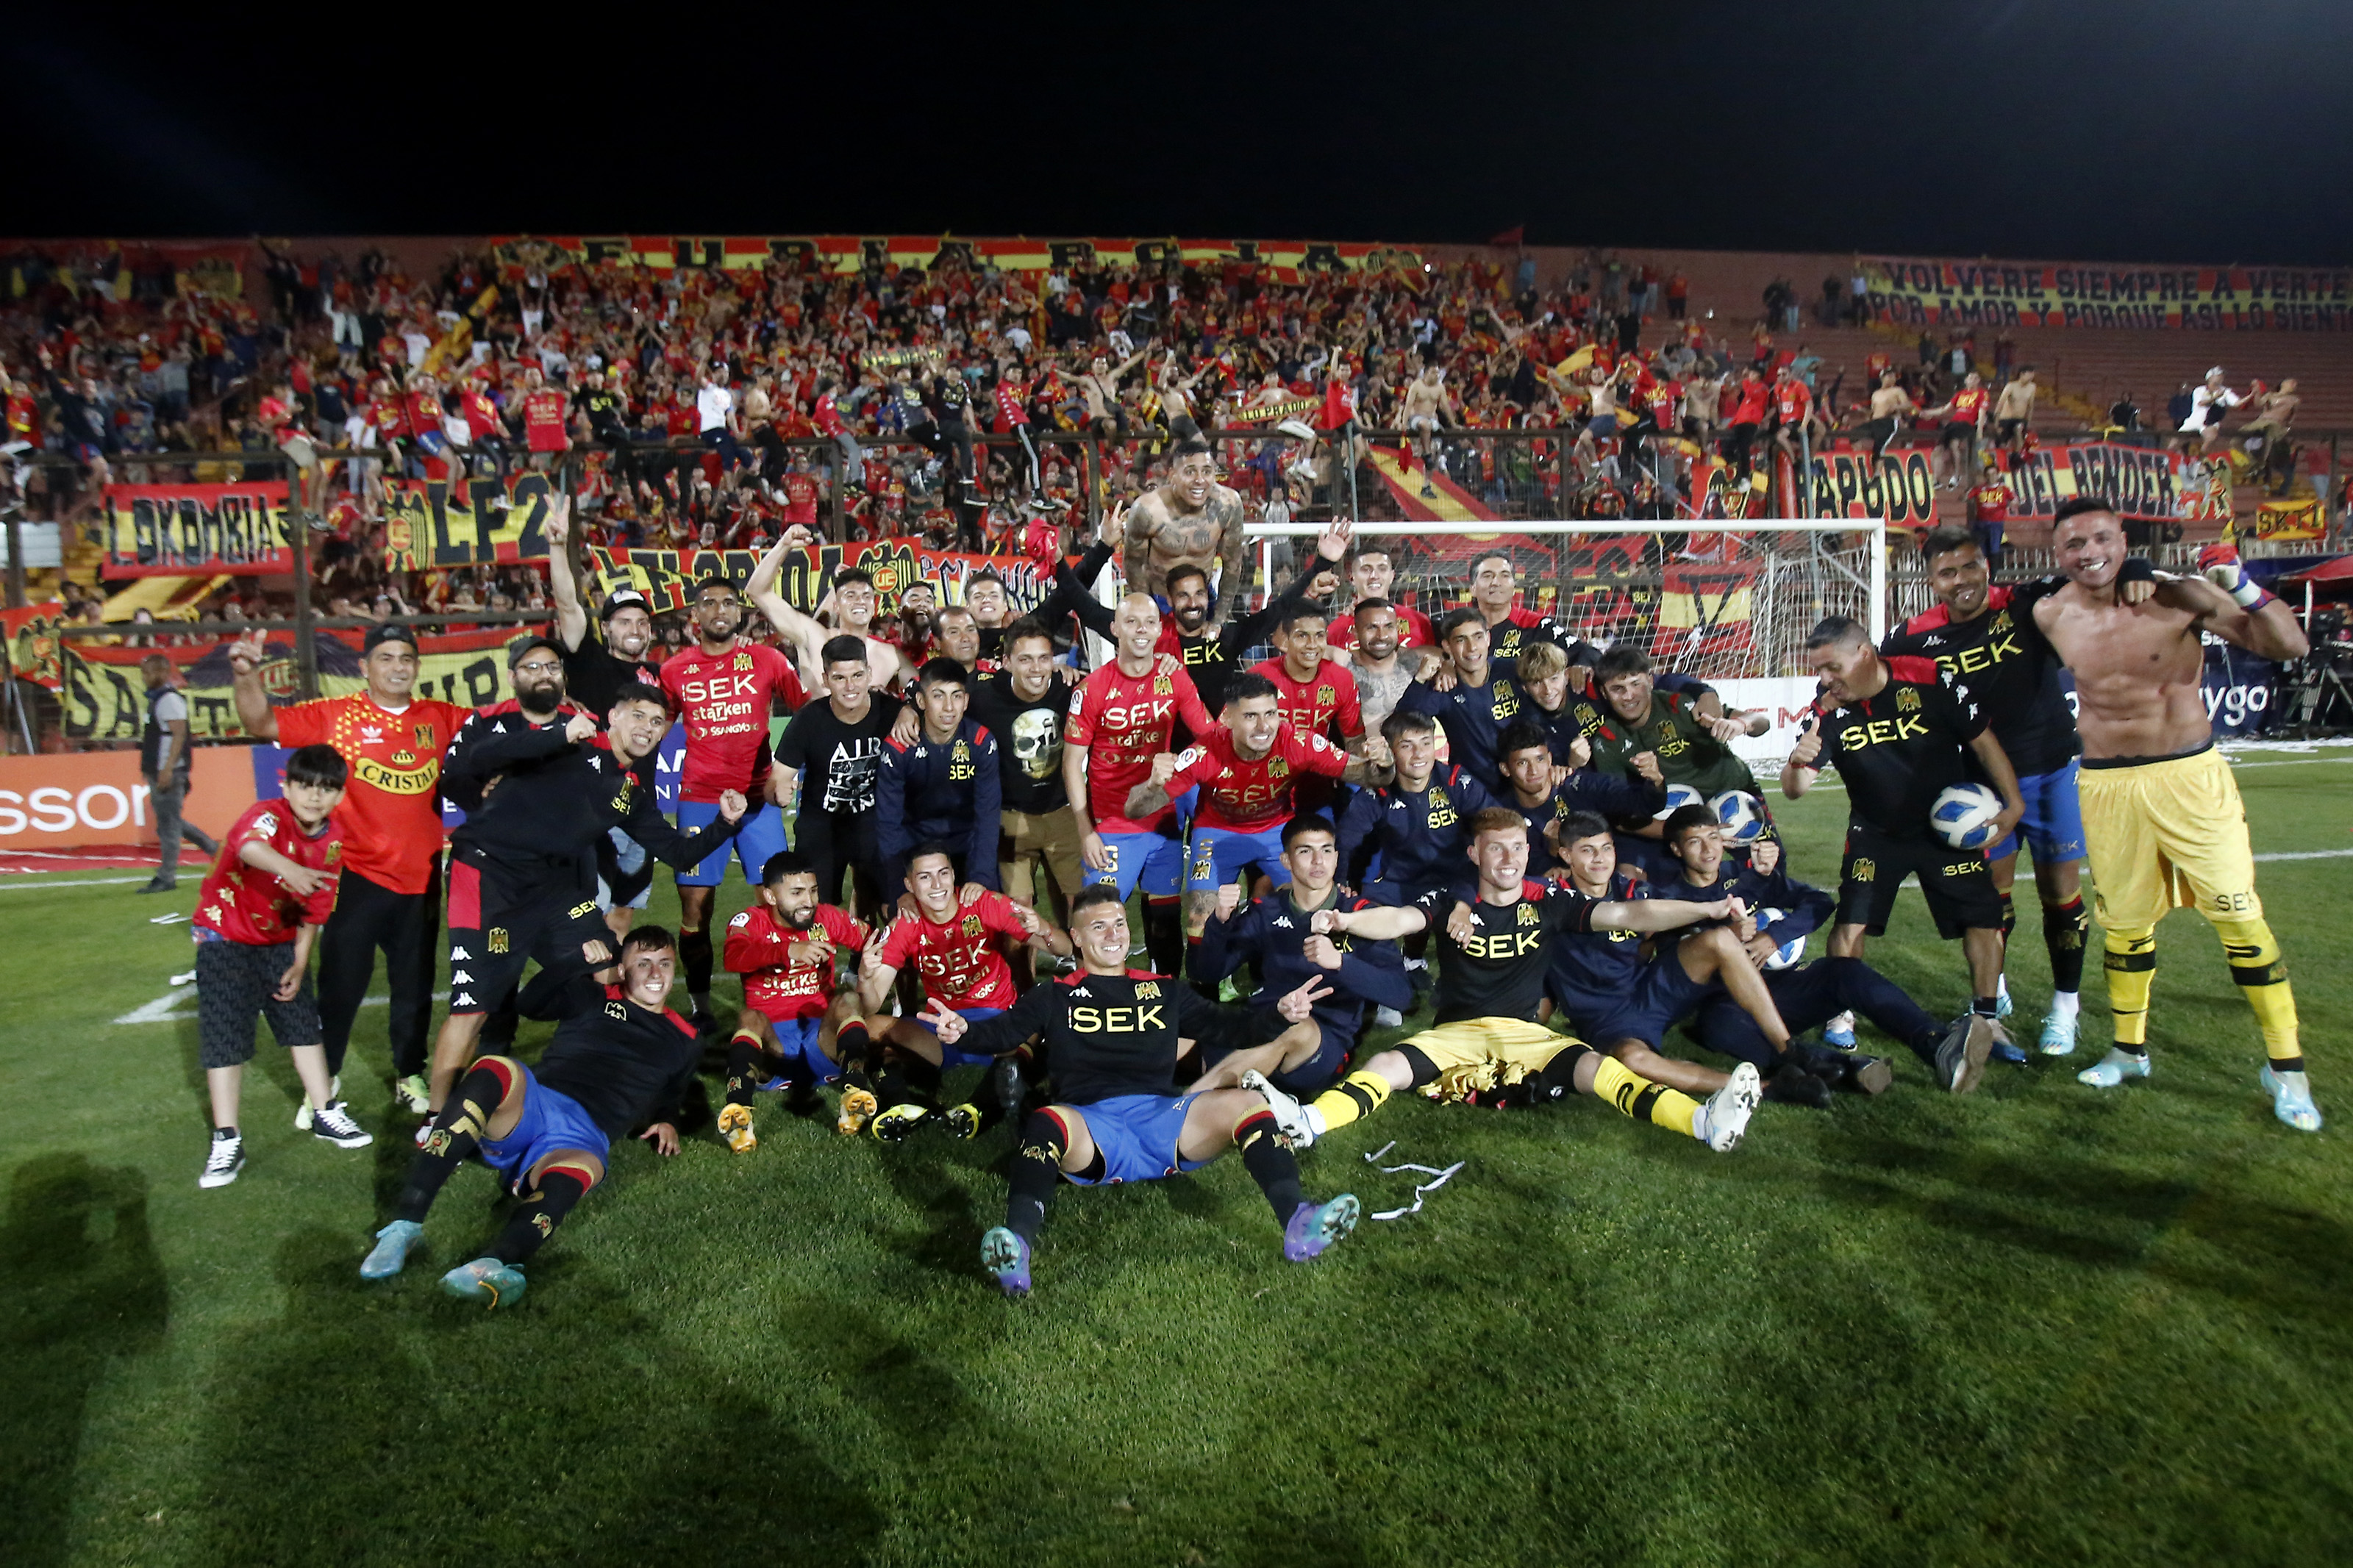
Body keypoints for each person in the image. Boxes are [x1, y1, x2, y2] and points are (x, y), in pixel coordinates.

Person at [2024, 501, 2319, 1131]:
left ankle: (2287, 1068)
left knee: (2239, 916)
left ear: (2124, 538)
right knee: (2125, 924)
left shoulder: (2181, 595)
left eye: (2102, 538)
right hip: (2105, 784)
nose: (2088, 551)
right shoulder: (2050, 613)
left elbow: (2289, 643)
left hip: (2188, 777)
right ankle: (2129, 1051)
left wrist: (2236, 582)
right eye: (2073, 543)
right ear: (2057, 554)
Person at [929, 883, 1358, 1296]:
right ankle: (1017, 1247)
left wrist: (1280, 1016)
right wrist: (963, 1031)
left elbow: (1231, 1027)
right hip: (1092, 1128)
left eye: (1119, 923)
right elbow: (1002, 1032)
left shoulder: (1164, 991)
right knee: (1046, 1121)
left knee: (1248, 1101)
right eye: (1099, 927)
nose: (1114, 934)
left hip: (1163, 1121)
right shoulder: (1053, 996)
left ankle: (1299, 1222)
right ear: (1076, 937)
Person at [1246, 809, 1760, 1152]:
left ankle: (1702, 1122)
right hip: (1456, 1035)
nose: (1510, 859)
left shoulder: (1548, 899)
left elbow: (1631, 911)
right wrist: (1347, 921)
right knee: (1386, 1063)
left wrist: (1709, 906)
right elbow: (1400, 920)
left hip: (1528, 1035)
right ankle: (1310, 1122)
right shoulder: (1451, 900)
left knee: (1598, 1070)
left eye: (1518, 847)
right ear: (1475, 854)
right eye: (1497, 849)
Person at [429, 671, 749, 1111]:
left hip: (550, 888)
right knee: (473, 1007)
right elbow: (485, 754)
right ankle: (436, 1118)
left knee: (608, 965)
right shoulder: (567, 744)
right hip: (488, 877)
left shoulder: (630, 791)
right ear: (613, 717)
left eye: (657, 723)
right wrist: (557, 732)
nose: (647, 728)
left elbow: (676, 851)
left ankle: (584, 1068)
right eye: (638, 716)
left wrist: (725, 823)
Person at [360, 927, 700, 1309]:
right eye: (643, 963)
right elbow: (530, 1003)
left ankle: (494, 1263)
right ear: (621, 970)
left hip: (583, 1138)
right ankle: (403, 1227)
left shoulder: (685, 1037)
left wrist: (668, 1118)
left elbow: (674, 1088)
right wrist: (574, 963)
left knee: (576, 1175)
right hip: (535, 1106)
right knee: (494, 1069)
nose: (655, 973)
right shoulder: (591, 996)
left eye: (664, 964)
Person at [229, 623, 470, 1114]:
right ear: (364, 667)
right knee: (340, 987)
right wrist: (246, 675)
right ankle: (327, 1077)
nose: (398, 666)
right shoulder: (335, 716)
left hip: (421, 879)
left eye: (406, 657)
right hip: (353, 878)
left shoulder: (441, 717)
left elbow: (505, 724)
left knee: (414, 989)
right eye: (386, 657)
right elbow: (260, 723)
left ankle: (410, 1074)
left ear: (418, 666)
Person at [1780, 617, 2024, 1086]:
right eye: (1819, 669)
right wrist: (1796, 762)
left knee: (1983, 916)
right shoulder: (1826, 709)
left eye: (1833, 666)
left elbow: (1983, 740)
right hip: (1875, 832)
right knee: (1851, 921)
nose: (1826, 678)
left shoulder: (1929, 678)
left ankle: (1987, 1017)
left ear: (1865, 653)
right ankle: (1839, 1013)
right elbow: (1795, 790)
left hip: (1944, 829)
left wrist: (2013, 803)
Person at [1884, 524, 2089, 1054]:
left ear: (1987, 566)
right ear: (1931, 581)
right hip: (1979, 785)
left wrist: (2134, 571)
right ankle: (1993, 995)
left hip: (2049, 771)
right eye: (1948, 572)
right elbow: (1867, 678)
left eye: (1971, 566)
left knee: (2059, 891)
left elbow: (2091, 582)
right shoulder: (1912, 638)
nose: (1962, 580)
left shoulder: (2024, 604)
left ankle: (2066, 1006)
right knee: (1990, 895)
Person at [1538, 805, 1831, 1108]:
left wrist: (1751, 886)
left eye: (1607, 848)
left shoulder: (1634, 890)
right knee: (1633, 1060)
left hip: (1649, 990)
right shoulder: (1550, 898)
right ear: (1566, 856)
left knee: (1719, 939)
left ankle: (1789, 1051)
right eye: (1588, 851)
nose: (1600, 859)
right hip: (1606, 1018)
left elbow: (1680, 911)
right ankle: (1770, 1087)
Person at [1674, 830, 1992, 1093]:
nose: (1707, 850)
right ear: (1676, 850)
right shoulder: (1670, 896)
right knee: (1719, 1027)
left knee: (1844, 971)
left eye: (1713, 838)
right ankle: (1849, 1068)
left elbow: (1819, 902)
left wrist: (1775, 936)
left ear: (1724, 842)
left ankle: (1936, 1045)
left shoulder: (1750, 878)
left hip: (1782, 992)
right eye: (1694, 842)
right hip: (1728, 1002)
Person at [191, 745, 373, 1188]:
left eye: (327, 789)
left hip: (279, 941)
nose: (315, 797)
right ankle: (226, 1138)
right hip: (224, 937)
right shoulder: (267, 814)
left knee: (302, 1025)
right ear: (286, 786)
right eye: (305, 786)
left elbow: (316, 906)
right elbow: (249, 846)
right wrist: (288, 868)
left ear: (339, 795)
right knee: (225, 1037)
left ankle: (326, 1113)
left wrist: (299, 959)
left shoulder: (334, 839)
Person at [659, 573, 805, 1025]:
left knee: (777, 903)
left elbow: (805, 712)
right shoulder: (674, 670)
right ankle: (701, 1007)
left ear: (740, 612)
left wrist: (786, 771)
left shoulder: (766, 659)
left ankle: (780, 1002)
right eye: (709, 603)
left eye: (728, 602)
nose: (720, 610)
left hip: (759, 801)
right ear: (694, 617)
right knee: (695, 910)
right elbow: (656, 728)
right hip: (701, 801)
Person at [855, 844, 1071, 1142]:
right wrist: (865, 978)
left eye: (943, 874)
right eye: (925, 877)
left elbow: (1066, 948)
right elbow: (871, 1003)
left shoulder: (983, 903)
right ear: (909, 885)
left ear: (954, 875)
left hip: (997, 1025)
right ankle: (903, 1101)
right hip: (942, 1030)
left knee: (1040, 1015)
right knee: (867, 1028)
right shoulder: (906, 924)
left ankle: (981, 1106)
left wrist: (1044, 927)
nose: (937, 885)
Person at [1190, 813, 1414, 1095]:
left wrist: (1340, 963)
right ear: (1287, 861)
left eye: (1326, 851)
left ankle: (1187, 1106)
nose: (1318, 861)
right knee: (1168, 1025)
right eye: (1306, 851)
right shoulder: (1267, 910)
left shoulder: (1362, 915)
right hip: (1262, 1020)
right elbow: (1208, 973)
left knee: (1293, 1027)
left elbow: (1402, 995)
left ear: (1336, 858)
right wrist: (1220, 924)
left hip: (1319, 1043)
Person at [1122, 672, 1349, 940]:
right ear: (1228, 718)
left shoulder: (1297, 742)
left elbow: (1367, 774)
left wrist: (1382, 762)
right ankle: (1204, 982)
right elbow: (1134, 810)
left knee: (1311, 905)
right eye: (1251, 716)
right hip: (1217, 834)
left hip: (1276, 831)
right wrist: (1152, 785)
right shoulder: (1203, 752)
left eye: (1271, 714)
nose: (1264, 726)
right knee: (1200, 920)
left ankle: (1287, 973)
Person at [1063, 594, 1217, 978]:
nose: (1141, 631)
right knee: (1099, 919)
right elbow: (1071, 765)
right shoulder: (1092, 688)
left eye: (1149, 622)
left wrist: (1182, 764)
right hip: (1113, 825)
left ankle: (1163, 997)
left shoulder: (1174, 676)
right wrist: (1086, 832)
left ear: (1158, 629)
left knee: (1165, 920)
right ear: (1115, 629)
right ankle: (1094, 1004)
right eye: (1131, 622)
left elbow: (1209, 737)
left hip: (1163, 821)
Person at [541, 495, 658, 934]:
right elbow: (568, 605)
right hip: (592, 811)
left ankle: (614, 996)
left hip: (640, 808)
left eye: (641, 622)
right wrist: (558, 547)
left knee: (624, 912)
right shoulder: (588, 659)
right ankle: (591, 994)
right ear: (606, 628)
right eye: (623, 621)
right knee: (590, 915)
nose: (634, 629)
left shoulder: (661, 675)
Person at [718, 851, 875, 1148]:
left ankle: (854, 1090)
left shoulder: (827, 917)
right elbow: (733, 956)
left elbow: (875, 938)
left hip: (823, 1042)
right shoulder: (750, 921)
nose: (809, 901)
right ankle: (737, 1110)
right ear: (770, 896)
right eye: (797, 892)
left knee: (848, 1000)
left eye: (813, 891)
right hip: (773, 1051)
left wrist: (881, 947)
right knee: (748, 1018)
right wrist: (788, 951)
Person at [775, 634, 902, 917]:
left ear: (869, 674)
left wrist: (909, 711)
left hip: (875, 822)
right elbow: (779, 777)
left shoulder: (893, 712)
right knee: (814, 909)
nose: (850, 686)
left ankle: (879, 957)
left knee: (892, 903)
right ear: (825, 679)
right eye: (840, 678)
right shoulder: (808, 720)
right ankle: (815, 961)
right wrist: (777, 791)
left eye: (858, 675)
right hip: (821, 825)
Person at [970, 617, 1083, 922]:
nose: (1036, 668)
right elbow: (937, 693)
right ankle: (1022, 973)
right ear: (1006, 662)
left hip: (1063, 812)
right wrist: (907, 710)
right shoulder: (982, 696)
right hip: (1010, 817)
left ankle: (1082, 968)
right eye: (1025, 659)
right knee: (1018, 909)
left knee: (1081, 903)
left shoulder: (1070, 688)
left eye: (1044, 658)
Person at [1337, 706, 1499, 901]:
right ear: (1390, 751)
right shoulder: (1377, 792)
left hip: (1459, 882)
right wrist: (1343, 882)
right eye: (1407, 746)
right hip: (1400, 887)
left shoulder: (1455, 780)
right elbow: (1346, 840)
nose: (1419, 754)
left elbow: (1497, 821)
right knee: (1350, 907)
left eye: (1426, 743)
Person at [876, 659, 1002, 892]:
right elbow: (888, 824)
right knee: (907, 917)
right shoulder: (898, 748)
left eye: (956, 696)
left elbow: (988, 816)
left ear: (966, 701)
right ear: (921, 701)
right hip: (915, 846)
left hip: (968, 843)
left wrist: (981, 879)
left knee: (989, 915)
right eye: (938, 696)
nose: (948, 707)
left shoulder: (981, 742)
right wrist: (898, 890)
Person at [1391, 609, 1528, 786]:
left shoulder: (1512, 670)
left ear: (1488, 639)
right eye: (1461, 640)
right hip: (1473, 789)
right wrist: (1420, 679)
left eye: (1478, 637)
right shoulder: (1444, 686)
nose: (1472, 647)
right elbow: (1402, 722)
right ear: (1447, 646)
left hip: (1524, 781)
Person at [1121, 425, 1246, 615]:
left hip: (1202, 600)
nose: (1200, 480)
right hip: (1160, 601)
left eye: (1207, 471)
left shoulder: (1228, 504)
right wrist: (1149, 613)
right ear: (1172, 475)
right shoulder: (1148, 509)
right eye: (1190, 472)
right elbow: (1134, 565)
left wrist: (1218, 620)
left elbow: (1233, 565)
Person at [138, 652, 220, 893]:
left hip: (170, 771)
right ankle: (218, 852)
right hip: (161, 769)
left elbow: (179, 736)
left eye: (150, 672)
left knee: (169, 827)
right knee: (172, 823)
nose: (145, 677)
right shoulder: (157, 699)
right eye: (144, 672)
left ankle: (166, 877)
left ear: (163, 673)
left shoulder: (168, 700)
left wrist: (167, 769)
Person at [1324, 543, 1434, 651]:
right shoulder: (1336, 629)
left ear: (1392, 576)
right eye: (1366, 569)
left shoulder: (1420, 622)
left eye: (1382, 569)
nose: (1374, 576)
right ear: (1352, 578)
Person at [1463, 551, 1560, 662]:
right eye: (1488, 576)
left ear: (1514, 587)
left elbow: (1580, 652)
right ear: (1473, 589)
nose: (1496, 582)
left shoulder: (1539, 625)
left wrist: (1581, 664)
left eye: (1505, 576)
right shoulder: (1459, 627)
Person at [1992, 367, 2037, 450]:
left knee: (2019, 433)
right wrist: (1996, 422)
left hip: (2020, 419)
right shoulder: (2011, 386)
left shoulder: (2032, 387)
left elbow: (2030, 406)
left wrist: (2028, 421)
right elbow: (2000, 404)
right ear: (2022, 374)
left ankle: (2018, 457)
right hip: (2006, 418)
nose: (2032, 377)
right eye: (2030, 374)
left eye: (2033, 374)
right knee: (2002, 443)